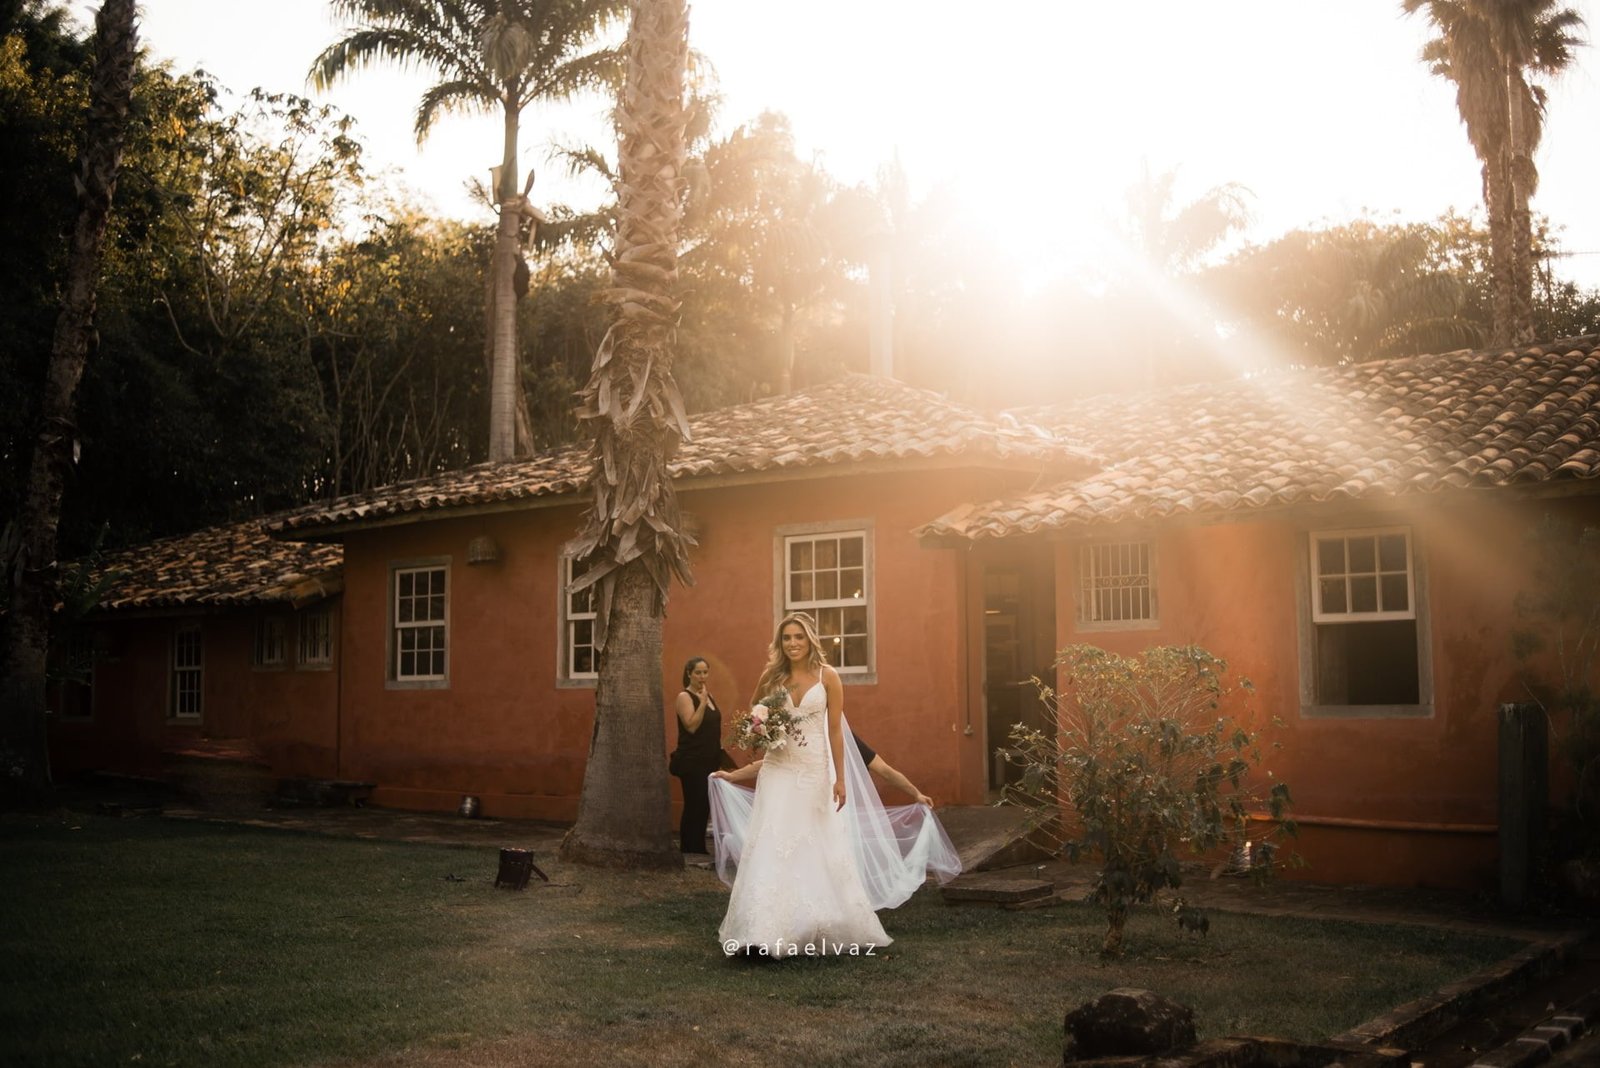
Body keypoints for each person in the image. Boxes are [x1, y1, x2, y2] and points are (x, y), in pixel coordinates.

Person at [714, 612, 891, 957]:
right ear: (779, 644)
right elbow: (754, 714)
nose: (793, 643)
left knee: (814, 844)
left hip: (813, 771)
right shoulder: (772, 675)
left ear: (810, 639)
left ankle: (814, 925)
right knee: (772, 842)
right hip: (778, 770)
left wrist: (840, 778)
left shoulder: (829, 677)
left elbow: (836, 730)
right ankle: (761, 932)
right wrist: (760, 727)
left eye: (799, 637)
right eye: (786, 638)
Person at [714, 732, 935, 807]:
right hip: (804, 803)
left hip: (836, 807)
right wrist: (733, 775)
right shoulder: (802, 738)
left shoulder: (848, 740)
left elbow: (885, 770)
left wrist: (916, 793)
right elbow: (769, 763)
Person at [670, 656, 722, 855]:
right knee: (694, 804)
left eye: (705, 672)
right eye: (698, 672)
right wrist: (701, 703)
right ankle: (690, 851)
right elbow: (691, 726)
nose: (702, 676)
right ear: (689, 673)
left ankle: (698, 848)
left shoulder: (708, 695)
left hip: (709, 759)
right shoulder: (685, 696)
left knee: (704, 805)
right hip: (692, 761)